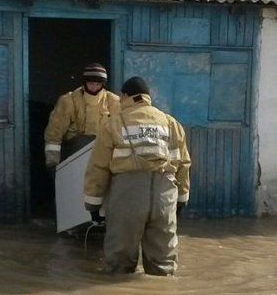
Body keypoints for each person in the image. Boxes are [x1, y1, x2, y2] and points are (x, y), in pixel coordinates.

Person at [83, 76, 191, 276]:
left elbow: (98, 167)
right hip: (164, 195)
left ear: (125, 96)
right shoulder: (170, 123)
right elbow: (183, 164)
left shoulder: (114, 123)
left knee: (119, 263)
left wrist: (93, 204)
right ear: (147, 98)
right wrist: (182, 199)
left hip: (128, 196)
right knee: (163, 265)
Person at [44, 63, 120, 222]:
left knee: (100, 188)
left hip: (102, 153)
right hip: (73, 151)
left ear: (103, 84)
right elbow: (55, 130)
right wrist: (53, 159)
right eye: (90, 82)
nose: (94, 86)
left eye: (98, 83)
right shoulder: (68, 100)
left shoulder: (113, 102)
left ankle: (99, 220)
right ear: (84, 82)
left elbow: (119, 130)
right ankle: (67, 221)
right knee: (71, 189)